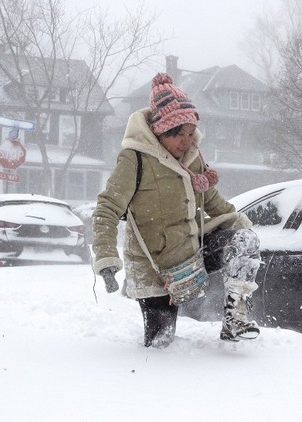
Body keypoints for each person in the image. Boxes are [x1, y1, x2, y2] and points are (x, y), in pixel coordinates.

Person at [92, 72, 262, 348]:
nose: (186, 141)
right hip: (154, 267)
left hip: (192, 253)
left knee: (244, 240)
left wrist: (244, 226)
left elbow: (214, 202)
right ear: (160, 131)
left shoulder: (192, 158)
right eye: (178, 134)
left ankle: (236, 319)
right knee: (161, 344)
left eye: (190, 133)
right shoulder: (135, 158)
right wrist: (107, 259)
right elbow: (107, 208)